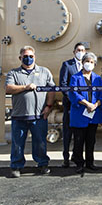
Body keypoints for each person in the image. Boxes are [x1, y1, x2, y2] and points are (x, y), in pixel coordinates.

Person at [5, 46, 55, 178]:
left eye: (31, 56)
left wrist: (49, 107)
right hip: (19, 116)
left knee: (40, 142)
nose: (28, 59)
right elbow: (8, 88)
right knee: (17, 144)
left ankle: (42, 164)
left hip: (39, 115)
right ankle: (16, 166)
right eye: (25, 56)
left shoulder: (44, 72)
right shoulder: (14, 73)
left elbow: (51, 90)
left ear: (35, 57)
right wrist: (25, 87)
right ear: (20, 58)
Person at [69, 52, 102, 174]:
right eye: (87, 61)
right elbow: (74, 94)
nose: (89, 64)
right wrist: (87, 104)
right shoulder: (75, 77)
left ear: (95, 64)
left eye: (91, 62)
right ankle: (79, 163)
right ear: (83, 63)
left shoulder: (97, 78)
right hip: (80, 114)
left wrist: (95, 105)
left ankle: (90, 162)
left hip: (93, 114)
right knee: (79, 140)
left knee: (91, 140)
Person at [59, 42, 86, 168]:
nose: (80, 52)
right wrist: (73, 98)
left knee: (79, 133)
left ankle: (77, 156)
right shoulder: (67, 65)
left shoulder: (87, 66)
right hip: (71, 105)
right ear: (74, 52)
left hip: (83, 105)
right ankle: (65, 157)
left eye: (82, 50)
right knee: (67, 132)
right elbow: (63, 85)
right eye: (78, 50)